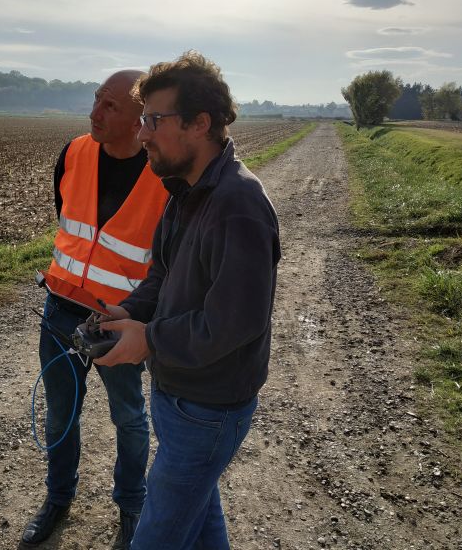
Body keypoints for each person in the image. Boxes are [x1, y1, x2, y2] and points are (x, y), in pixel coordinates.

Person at [95, 51, 281, 549]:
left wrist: (148, 341)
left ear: (201, 123)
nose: (143, 134)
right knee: (199, 522)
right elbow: (163, 273)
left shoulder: (237, 206)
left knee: (158, 535)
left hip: (210, 407)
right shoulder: (186, 189)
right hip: (181, 393)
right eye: (142, 121)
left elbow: (231, 324)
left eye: (154, 121)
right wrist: (130, 312)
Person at [19, 70, 169, 549]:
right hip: (60, 309)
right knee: (61, 415)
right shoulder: (73, 153)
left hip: (118, 322)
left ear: (138, 120)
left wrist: (141, 318)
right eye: (96, 100)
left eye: (110, 107)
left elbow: (167, 260)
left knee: (129, 416)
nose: (95, 113)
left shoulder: (164, 174)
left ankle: (131, 505)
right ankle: (58, 499)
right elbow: (67, 219)